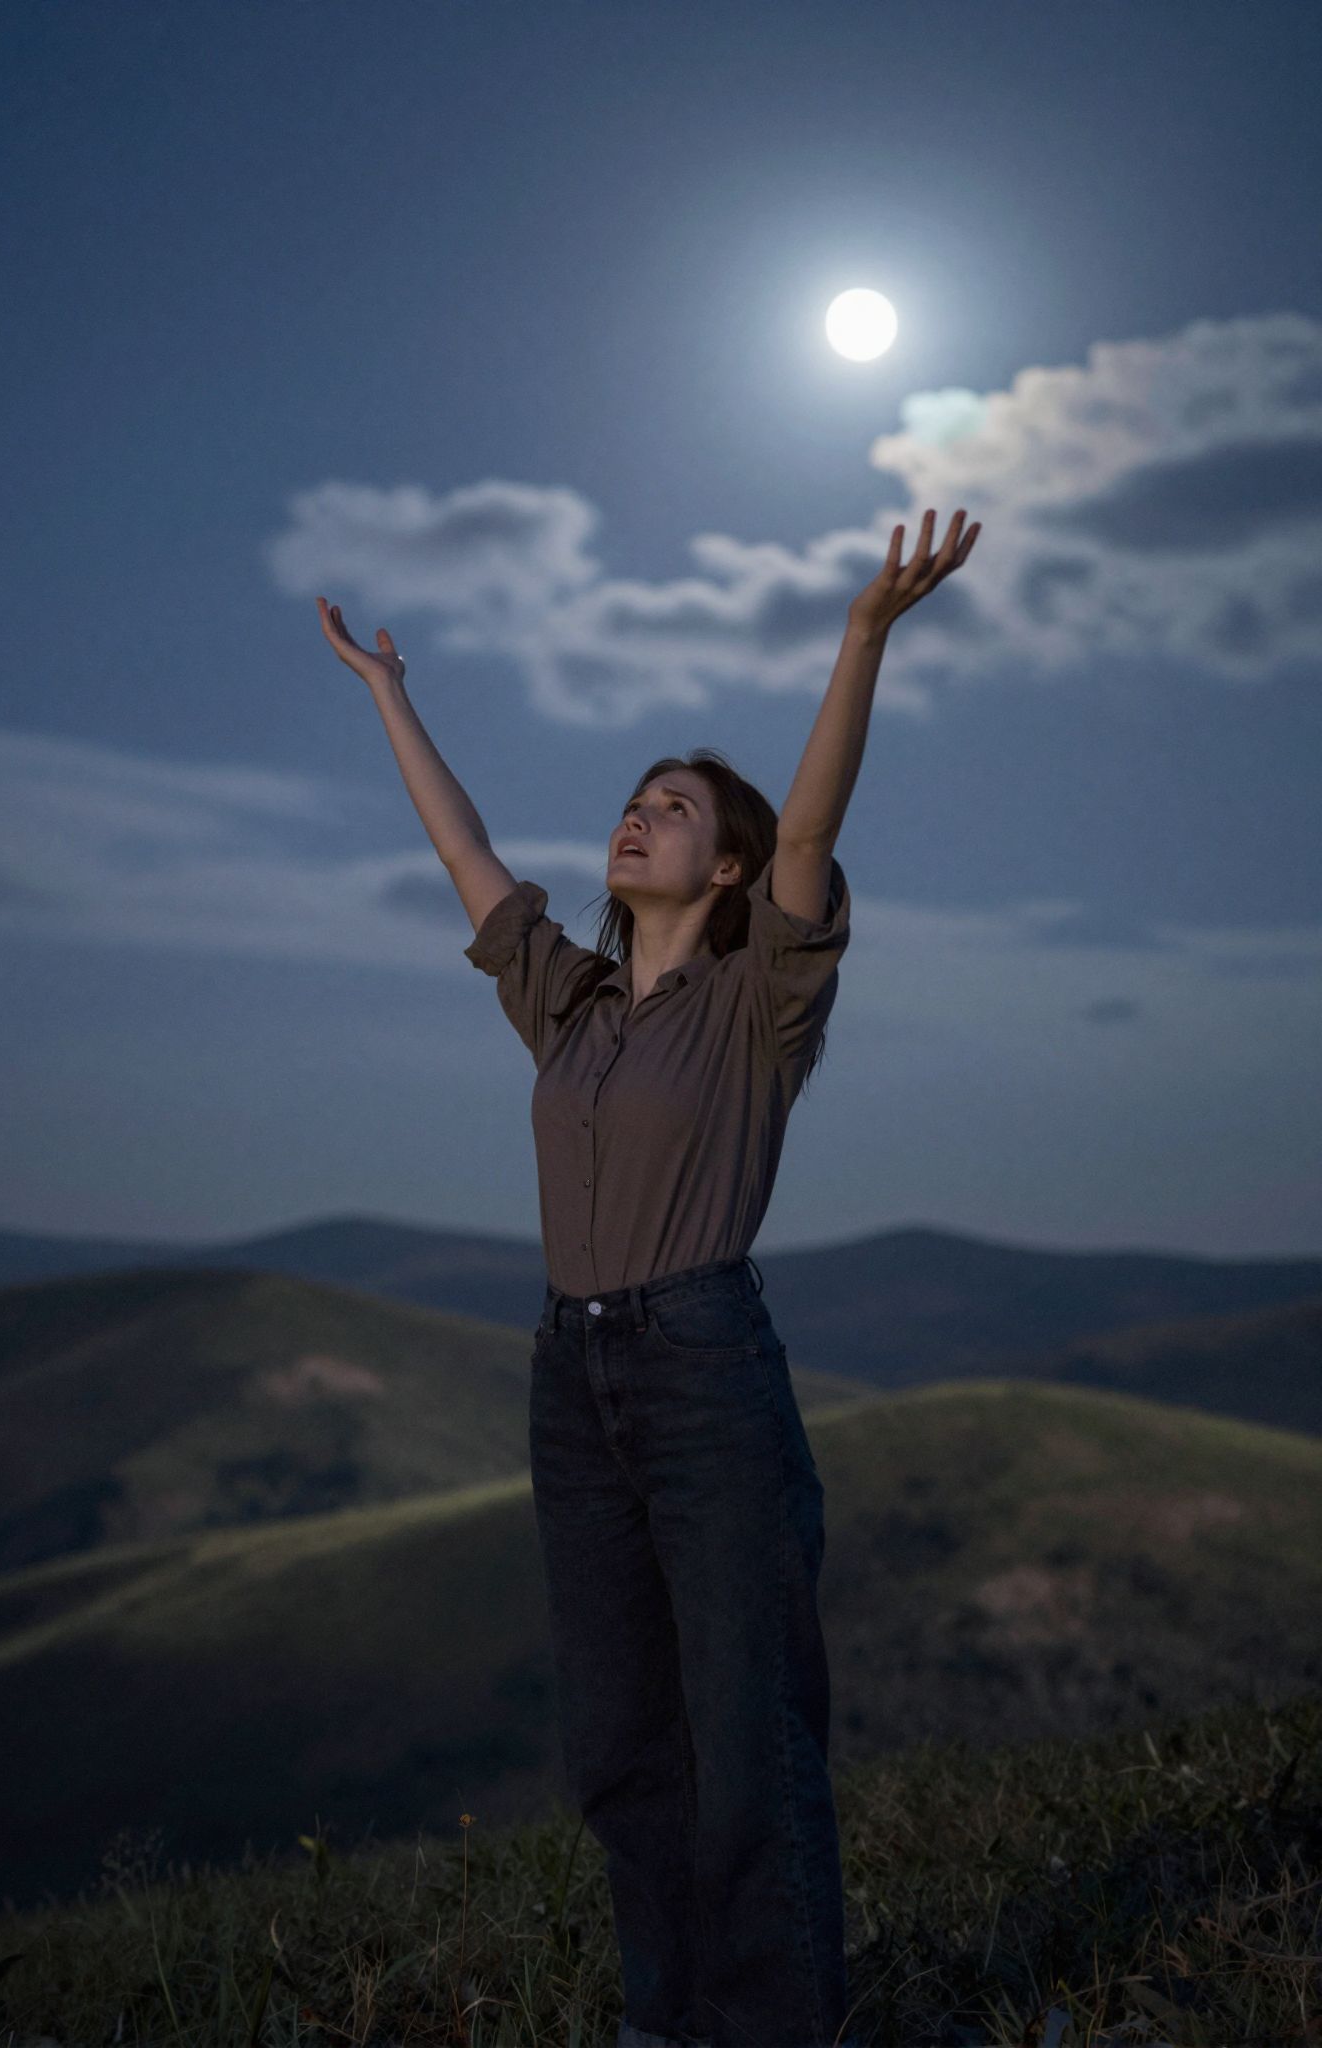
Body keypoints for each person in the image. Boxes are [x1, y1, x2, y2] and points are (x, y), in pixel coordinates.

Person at [314, 506, 979, 2048]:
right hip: (575, 1374)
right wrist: (387, 691)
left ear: (727, 862)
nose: (636, 819)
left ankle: (780, 2026)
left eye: (672, 808)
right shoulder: (572, 1003)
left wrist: (864, 632)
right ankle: (665, 2020)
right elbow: (471, 856)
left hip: (701, 1366)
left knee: (747, 1730)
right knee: (621, 1739)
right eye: (629, 802)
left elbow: (812, 833)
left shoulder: (762, 1001)